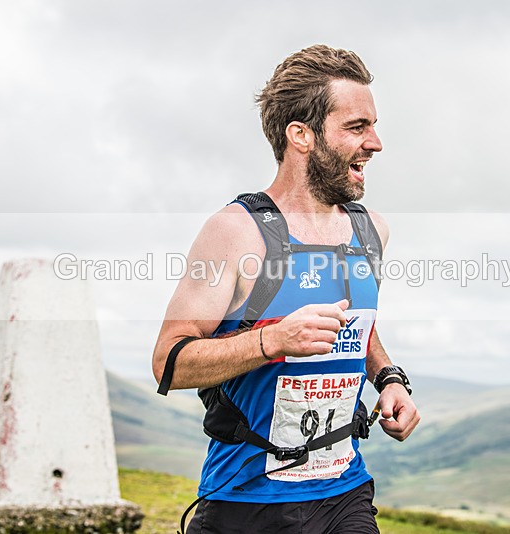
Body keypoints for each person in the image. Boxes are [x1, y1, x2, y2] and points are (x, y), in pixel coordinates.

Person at [153, 44, 420, 534]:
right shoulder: (236, 232)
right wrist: (272, 340)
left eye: (374, 126)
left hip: (344, 492)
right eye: (357, 127)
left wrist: (389, 378)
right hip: (244, 500)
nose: (376, 143)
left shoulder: (371, 231)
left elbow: (356, 323)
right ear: (302, 135)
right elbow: (169, 362)